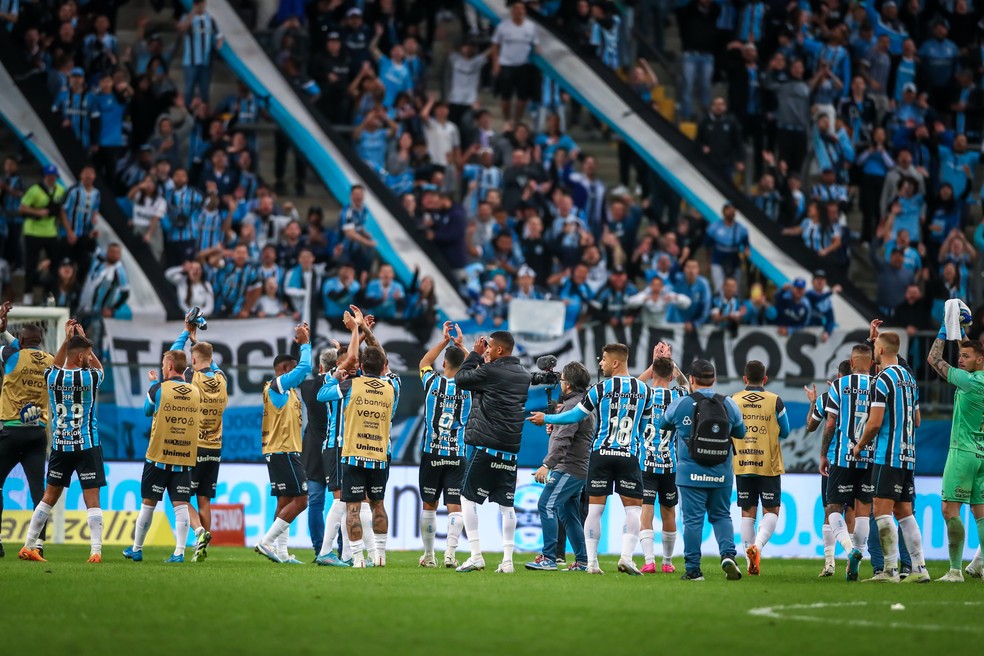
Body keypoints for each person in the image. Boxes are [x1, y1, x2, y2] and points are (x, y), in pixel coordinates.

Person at [530, 343, 654, 576]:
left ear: (615, 362)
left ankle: (591, 563)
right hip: (629, 454)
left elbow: (576, 414)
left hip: (602, 453)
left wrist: (548, 417)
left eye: (604, 359)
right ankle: (626, 557)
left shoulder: (600, 388)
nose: (601, 363)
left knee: (594, 511)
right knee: (633, 510)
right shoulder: (646, 391)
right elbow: (644, 427)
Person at [17, 320, 104, 563]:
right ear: (80, 358)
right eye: (86, 355)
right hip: (87, 446)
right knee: (92, 500)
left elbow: (56, 363)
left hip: (60, 447)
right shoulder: (90, 379)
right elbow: (99, 369)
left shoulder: (52, 377)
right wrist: (84, 345)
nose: (89, 358)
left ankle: (28, 545)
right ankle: (95, 551)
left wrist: (68, 340)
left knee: (47, 499)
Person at [319, 309, 395, 568]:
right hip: (379, 456)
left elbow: (322, 395)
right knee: (378, 505)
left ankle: (358, 558)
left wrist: (337, 373)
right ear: (384, 366)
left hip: (353, 454)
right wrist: (366, 331)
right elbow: (380, 357)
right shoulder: (392, 385)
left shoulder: (351, 386)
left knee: (352, 507)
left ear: (360, 367)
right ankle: (381, 555)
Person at [660, 359, 746, 581]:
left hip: (690, 474)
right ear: (714, 379)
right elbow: (741, 433)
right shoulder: (728, 404)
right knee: (721, 516)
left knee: (693, 521)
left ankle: (693, 570)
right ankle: (728, 556)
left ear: (692, 380)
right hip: (722, 472)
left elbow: (663, 424)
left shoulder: (682, 404)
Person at [852, 331, 928, 582]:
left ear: (881, 351)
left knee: (881, 511)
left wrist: (860, 445)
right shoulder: (910, 379)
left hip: (888, 454)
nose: (873, 352)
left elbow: (873, 423)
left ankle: (890, 570)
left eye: (875, 348)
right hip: (908, 455)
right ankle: (919, 568)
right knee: (905, 511)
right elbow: (917, 420)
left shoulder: (882, 380)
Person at [454, 330, 531, 574]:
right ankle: (507, 560)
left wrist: (474, 354)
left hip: (486, 447)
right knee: (507, 506)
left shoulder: (490, 371)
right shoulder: (523, 375)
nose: (486, 351)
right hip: (510, 450)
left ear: (499, 350)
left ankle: (476, 555)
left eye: (489, 348)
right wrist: (478, 355)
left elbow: (461, 379)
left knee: (467, 498)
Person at [123, 348, 202, 563]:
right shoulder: (195, 391)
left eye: (163, 364)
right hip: (184, 457)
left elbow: (147, 411)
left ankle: (137, 549)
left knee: (148, 504)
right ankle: (179, 553)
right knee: (181, 504)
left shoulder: (158, 389)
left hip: (159, 456)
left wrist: (153, 384)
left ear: (168, 366)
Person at [926, 330, 984, 582]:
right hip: (981, 454)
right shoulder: (978, 379)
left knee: (950, 510)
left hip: (962, 453)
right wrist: (962, 333)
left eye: (965, 356)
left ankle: (954, 570)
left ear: (979, 360)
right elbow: (972, 355)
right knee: (980, 514)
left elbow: (933, 359)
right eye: (959, 356)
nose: (960, 359)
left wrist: (943, 332)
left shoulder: (968, 381)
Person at [169, 313, 227, 562]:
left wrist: (186, 334)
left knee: (179, 496)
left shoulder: (193, 378)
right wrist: (196, 341)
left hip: (194, 447)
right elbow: (210, 364)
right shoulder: (223, 379)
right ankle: (203, 547)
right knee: (204, 498)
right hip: (215, 447)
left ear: (193, 360)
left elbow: (173, 359)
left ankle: (199, 533)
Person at [526, 361, 594, 572]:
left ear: (569, 385)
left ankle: (549, 557)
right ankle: (582, 561)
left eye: (562, 379)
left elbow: (563, 440)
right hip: (577, 468)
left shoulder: (572, 407)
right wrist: (554, 428)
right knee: (569, 514)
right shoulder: (581, 404)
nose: (560, 383)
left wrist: (547, 465)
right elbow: (567, 435)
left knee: (545, 505)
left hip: (568, 468)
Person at [253, 323, 312, 564]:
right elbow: (306, 366)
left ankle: (282, 552)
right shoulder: (277, 387)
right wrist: (306, 343)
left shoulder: (291, 393)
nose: (298, 373)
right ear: (285, 369)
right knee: (302, 500)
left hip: (283, 450)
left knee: (285, 500)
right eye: (293, 369)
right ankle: (266, 542)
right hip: (283, 450)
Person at [416, 322, 471, 569]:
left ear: (444, 364)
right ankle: (450, 554)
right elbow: (482, 369)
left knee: (429, 505)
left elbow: (423, 364)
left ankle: (429, 556)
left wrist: (444, 341)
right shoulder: (471, 388)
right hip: (457, 453)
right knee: (454, 505)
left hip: (432, 452)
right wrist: (462, 346)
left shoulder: (432, 383)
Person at [0, 303, 52, 558]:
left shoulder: (12, 356)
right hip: (37, 434)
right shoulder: (51, 361)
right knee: (39, 492)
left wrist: (2, 327)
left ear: (21, 339)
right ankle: (37, 544)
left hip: (11, 430)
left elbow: (8, 349)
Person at [821, 344, 874, 582]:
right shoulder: (879, 384)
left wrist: (824, 454)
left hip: (843, 456)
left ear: (851, 363)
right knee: (863, 511)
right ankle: (858, 558)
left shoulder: (839, 385)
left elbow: (830, 423)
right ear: (871, 364)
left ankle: (848, 548)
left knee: (833, 507)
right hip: (871, 457)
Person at [732, 360, 790, 576]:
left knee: (747, 513)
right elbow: (785, 432)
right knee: (771, 510)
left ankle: (749, 563)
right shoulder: (775, 401)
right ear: (765, 379)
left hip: (742, 462)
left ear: (744, 379)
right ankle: (758, 547)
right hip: (768, 463)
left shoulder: (734, 400)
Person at [637, 343, 690, 574]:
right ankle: (667, 563)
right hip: (670, 464)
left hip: (646, 462)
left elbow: (634, 385)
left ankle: (649, 561)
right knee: (669, 511)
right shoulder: (678, 395)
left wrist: (653, 362)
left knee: (645, 510)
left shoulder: (645, 393)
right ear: (670, 374)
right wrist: (671, 361)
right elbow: (687, 385)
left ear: (652, 373)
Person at [491, 0, 540, 123]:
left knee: (522, 98)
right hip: (506, 64)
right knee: (506, 96)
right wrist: (495, 64)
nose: (519, 11)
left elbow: (536, 44)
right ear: (512, 10)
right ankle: (507, 119)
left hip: (523, 65)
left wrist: (538, 50)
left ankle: (517, 120)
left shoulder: (531, 27)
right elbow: (495, 45)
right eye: (516, 8)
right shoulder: (503, 27)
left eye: (521, 8)